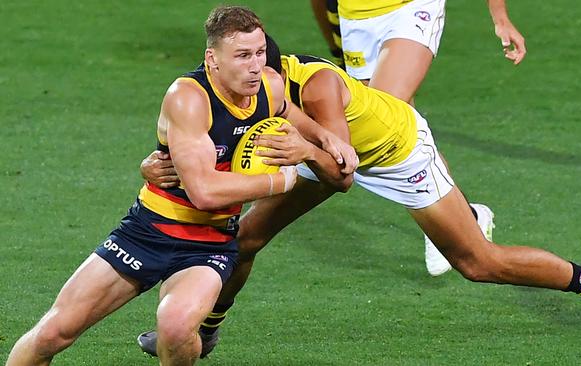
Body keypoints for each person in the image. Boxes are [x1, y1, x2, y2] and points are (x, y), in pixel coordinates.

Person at [136, 38, 581, 358]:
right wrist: (157, 163)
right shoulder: (251, 85)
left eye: (252, 64)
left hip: (392, 153)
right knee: (245, 238)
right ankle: (206, 332)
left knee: (477, 262)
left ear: (271, 67)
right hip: (318, 152)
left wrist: (301, 151)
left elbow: (341, 173)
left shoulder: (317, 88)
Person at [6, 7, 357, 366]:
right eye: (242, 56)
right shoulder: (189, 98)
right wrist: (278, 180)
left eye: (259, 53)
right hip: (147, 232)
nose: (255, 65)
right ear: (212, 58)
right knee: (52, 334)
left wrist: (327, 138)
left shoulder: (267, 84)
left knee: (174, 328)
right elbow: (203, 192)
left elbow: (285, 112)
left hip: (209, 244)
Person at [311, 0, 526, 275]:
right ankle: (466, 215)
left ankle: (448, 217)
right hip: (356, 18)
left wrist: (501, 18)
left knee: (386, 116)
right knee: (401, 121)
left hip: (412, 8)